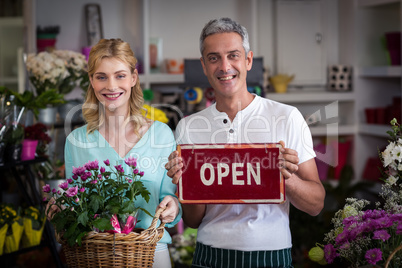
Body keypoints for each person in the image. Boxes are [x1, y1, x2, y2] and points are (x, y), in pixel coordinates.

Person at [165, 18, 325, 268]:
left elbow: (316, 204)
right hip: (209, 255)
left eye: (233, 55)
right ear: (204, 66)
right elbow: (194, 220)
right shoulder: (189, 127)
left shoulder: (287, 117)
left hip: (272, 254)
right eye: (214, 58)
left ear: (248, 60)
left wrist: (286, 178)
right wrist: (188, 181)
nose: (224, 66)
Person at [51, 38, 181, 267]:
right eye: (101, 77)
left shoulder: (161, 135)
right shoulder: (76, 141)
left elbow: (169, 199)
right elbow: (75, 204)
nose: (111, 86)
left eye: (120, 75)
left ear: (133, 78)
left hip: (150, 252)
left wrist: (173, 206)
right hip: (94, 255)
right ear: (91, 80)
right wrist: (60, 208)